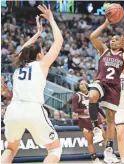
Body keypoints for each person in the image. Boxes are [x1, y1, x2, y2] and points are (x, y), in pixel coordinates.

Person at [1, 5, 64, 164]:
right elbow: (59, 41)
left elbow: (23, 49)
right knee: (54, 149)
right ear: (38, 55)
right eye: (42, 51)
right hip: (33, 109)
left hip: (13, 110)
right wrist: (51, 19)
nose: (44, 53)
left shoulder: (19, 66)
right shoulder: (41, 65)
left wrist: (37, 34)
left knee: (10, 148)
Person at [88, 18, 124, 163]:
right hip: (101, 82)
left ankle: (109, 150)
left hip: (114, 87)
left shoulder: (122, 55)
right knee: (92, 95)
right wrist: (106, 24)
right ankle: (96, 128)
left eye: (116, 40)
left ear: (120, 43)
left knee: (111, 120)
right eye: (111, 39)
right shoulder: (104, 50)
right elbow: (92, 37)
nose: (112, 41)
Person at [71, 79, 105, 164]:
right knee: (90, 141)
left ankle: (108, 154)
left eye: (84, 83)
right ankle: (94, 159)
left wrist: (104, 116)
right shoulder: (77, 96)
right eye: (81, 84)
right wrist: (83, 111)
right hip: (84, 120)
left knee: (104, 137)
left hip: (95, 118)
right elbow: (75, 109)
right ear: (78, 86)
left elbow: (98, 107)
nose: (83, 85)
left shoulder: (93, 94)